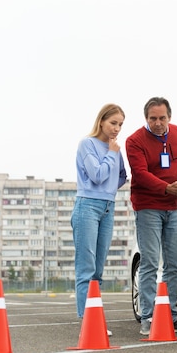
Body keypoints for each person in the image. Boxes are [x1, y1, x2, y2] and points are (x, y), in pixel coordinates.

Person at [125, 97, 177, 336]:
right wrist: (168, 188)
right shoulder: (134, 141)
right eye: (152, 119)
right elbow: (141, 174)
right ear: (146, 118)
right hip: (148, 207)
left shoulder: (176, 132)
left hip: (173, 207)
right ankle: (147, 317)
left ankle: (170, 314)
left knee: (174, 264)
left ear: (170, 117)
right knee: (149, 262)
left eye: (162, 118)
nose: (158, 123)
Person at [72, 104, 127, 336]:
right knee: (86, 267)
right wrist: (112, 154)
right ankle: (88, 320)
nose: (116, 129)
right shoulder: (88, 144)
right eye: (113, 123)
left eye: (120, 125)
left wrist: (108, 191)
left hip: (108, 206)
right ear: (101, 121)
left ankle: (94, 317)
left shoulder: (115, 149)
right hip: (87, 206)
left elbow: (123, 176)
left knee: (98, 270)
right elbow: (97, 175)